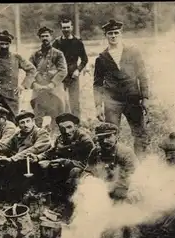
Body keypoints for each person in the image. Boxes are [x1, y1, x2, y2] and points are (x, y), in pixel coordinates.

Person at [93, 19, 150, 156]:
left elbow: (142, 75)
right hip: (112, 101)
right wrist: (98, 106)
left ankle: (140, 163)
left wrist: (146, 97)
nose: (113, 36)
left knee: (140, 133)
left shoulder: (133, 52)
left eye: (116, 33)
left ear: (121, 34)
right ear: (106, 36)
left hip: (133, 98)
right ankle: (115, 164)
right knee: (110, 134)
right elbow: (97, 83)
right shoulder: (101, 58)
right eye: (110, 33)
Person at [0, 110, 52, 203]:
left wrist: (12, 158)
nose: (25, 125)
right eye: (22, 122)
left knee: (10, 165)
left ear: (33, 122)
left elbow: (35, 149)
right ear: (19, 125)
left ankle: (4, 196)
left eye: (28, 121)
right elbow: (4, 145)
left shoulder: (41, 133)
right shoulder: (18, 134)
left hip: (35, 163)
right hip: (21, 162)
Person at [29, 112, 94, 207]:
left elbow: (90, 163)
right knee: (42, 165)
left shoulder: (85, 140)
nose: (66, 131)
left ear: (76, 126)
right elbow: (52, 151)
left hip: (82, 170)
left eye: (69, 127)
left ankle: (72, 204)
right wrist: (38, 157)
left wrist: (64, 162)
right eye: (62, 129)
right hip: (65, 165)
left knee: (74, 171)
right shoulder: (60, 138)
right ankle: (50, 198)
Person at [0, 30, 37, 120]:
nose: (4, 46)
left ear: (10, 44)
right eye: (2, 44)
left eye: (6, 44)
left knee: (13, 120)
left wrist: (23, 85)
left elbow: (32, 70)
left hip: (11, 96)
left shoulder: (16, 57)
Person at [86, 122, 139, 202]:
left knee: (132, 195)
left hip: (123, 187)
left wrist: (111, 186)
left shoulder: (125, 152)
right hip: (103, 187)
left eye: (108, 136)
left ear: (116, 136)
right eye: (101, 138)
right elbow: (88, 171)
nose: (104, 141)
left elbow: (134, 175)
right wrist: (88, 180)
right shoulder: (95, 152)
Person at [29, 27, 68, 132]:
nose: (44, 38)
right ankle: (39, 138)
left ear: (51, 37)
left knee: (56, 118)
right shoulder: (34, 55)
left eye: (47, 36)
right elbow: (29, 71)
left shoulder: (58, 54)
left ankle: (55, 138)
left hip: (54, 91)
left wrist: (52, 84)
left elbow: (63, 71)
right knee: (38, 118)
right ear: (39, 38)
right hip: (39, 91)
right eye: (42, 36)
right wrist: (34, 84)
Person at [52, 17, 88, 118]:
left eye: (68, 27)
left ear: (72, 27)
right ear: (61, 29)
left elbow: (85, 59)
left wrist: (78, 70)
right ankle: (60, 121)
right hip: (60, 76)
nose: (66, 30)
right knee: (60, 100)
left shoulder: (78, 42)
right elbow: (51, 59)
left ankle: (76, 121)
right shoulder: (56, 42)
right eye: (64, 28)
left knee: (74, 101)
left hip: (73, 76)